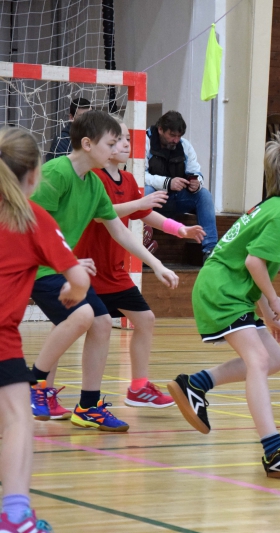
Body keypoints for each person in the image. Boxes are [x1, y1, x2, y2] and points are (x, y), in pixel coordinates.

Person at [167, 137, 280, 479]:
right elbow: (254, 264)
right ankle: (274, 452)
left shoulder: (270, 207)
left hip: (225, 286)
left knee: (274, 358)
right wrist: (275, 299)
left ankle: (196, 384)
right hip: (222, 290)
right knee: (259, 360)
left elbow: (247, 268)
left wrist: (268, 316)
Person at [28, 110, 179, 430]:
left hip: (62, 268)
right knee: (83, 316)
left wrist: (156, 264)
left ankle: (88, 406)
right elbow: (35, 228)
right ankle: (34, 383)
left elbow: (120, 231)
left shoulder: (94, 185)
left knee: (100, 323)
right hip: (35, 268)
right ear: (87, 144)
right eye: (110, 143)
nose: (115, 150)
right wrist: (68, 262)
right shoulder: (56, 173)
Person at [73, 120, 205, 409]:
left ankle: (139, 388)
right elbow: (101, 214)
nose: (125, 143)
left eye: (127, 138)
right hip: (88, 271)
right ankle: (46, 386)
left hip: (115, 273)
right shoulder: (94, 177)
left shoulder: (129, 180)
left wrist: (180, 230)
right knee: (81, 329)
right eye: (118, 139)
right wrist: (138, 204)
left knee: (145, 320)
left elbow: (145, 213)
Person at [0, 126, 90, 532]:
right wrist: (73, 290)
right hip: (2, 338)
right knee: (18, 420)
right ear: (34, 174)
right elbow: (80, 280)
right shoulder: (31, 217)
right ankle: (16, 516)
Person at [144, 110, 218, 261]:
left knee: (204, 195)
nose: (176, 140)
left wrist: (196, 183)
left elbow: (196, 171)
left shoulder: (185, 146)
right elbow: (139, 175)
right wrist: (167, 183)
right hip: (154, 197)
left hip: (177, 198)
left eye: (179, 136)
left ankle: (210, 250)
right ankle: (141, 242)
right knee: (145, 191)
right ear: (160, 129)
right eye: (172, 135)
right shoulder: (145, 141)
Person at [45, 97, 91, 161]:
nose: (87, 120)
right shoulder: (61, 141)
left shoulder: (96, 136)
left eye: (90, 116)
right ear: (71, 118)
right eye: (82, 117)